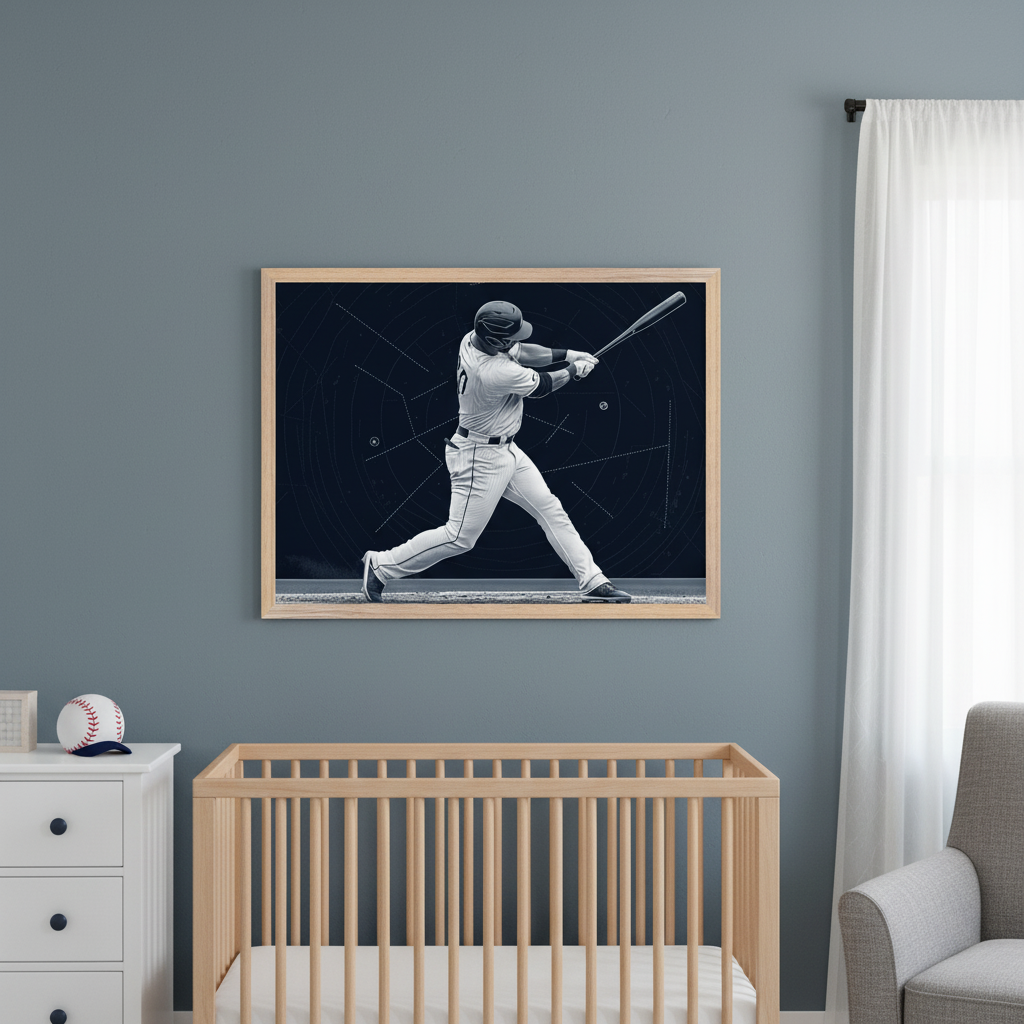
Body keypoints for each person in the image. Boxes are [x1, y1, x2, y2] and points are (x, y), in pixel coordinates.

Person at [362, 300, 631, 603]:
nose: (516, 341)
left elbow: (522, 351)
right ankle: (381, 565)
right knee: (459, 537)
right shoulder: (493, 371)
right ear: (493, 340)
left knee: (549, 509)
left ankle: (592, 580)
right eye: (510, 337)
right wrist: (573, 371)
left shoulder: (474, 340)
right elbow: (543, 385)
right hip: (479, 456)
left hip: (506, 449)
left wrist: (569, 355)